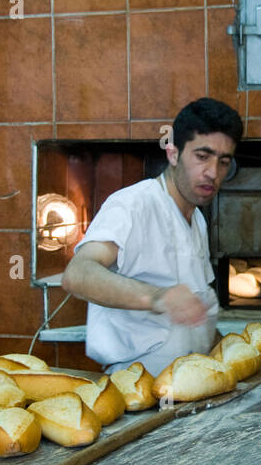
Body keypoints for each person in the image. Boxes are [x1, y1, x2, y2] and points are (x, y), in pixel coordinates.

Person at [61, 98, 241, 377]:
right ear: (173, 154)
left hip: (192, 385)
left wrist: (228, 350)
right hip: (138, 388)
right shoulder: (132, 205)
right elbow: (78, 274)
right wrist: (158, 298)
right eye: (202, 157)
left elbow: (193, 314)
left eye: (223, 162)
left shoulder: (197, 221)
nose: (212, 173)